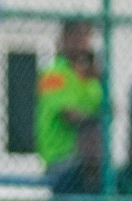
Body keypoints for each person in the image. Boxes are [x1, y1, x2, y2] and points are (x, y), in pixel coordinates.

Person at [37, 19, 102, 171]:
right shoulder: (53, 75)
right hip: (60, 158)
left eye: (86, 36)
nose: (83, 42)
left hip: (89, 159)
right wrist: (97, 118)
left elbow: (110, 109)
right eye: (77, 36)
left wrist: (101, 80)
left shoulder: (90, 77)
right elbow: (68, 115)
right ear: (65, 38)